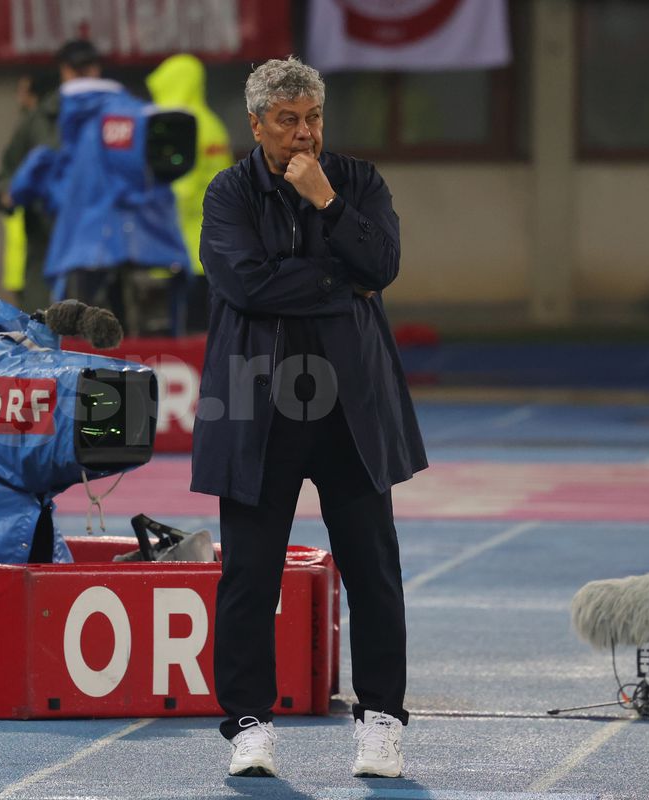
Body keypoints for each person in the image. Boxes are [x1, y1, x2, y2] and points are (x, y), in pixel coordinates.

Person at [192, 57, 426, 779]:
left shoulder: (356, 184)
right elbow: (246, 283)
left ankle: (381, 721)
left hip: (350, 404)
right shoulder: (228, 193)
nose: (303, 134)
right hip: (255, 402)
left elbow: (381, 263)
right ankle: (249, 726)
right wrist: (339, 282)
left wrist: (327, 204)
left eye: (313, 118)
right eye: (288, 120)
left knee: (373, 571)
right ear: (256, 123)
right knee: (250, 578)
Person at [8, 39, 190, 332]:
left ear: (65, 71)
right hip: (148, 242)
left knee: (78, 344)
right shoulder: (138, 112)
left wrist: (22, 189)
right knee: (143, 346)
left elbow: (35, 178)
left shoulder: (59, 118)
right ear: (96, 68)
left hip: (81, 246)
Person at [145, 53, 233, 332]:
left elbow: (181, 190)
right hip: (210, 245)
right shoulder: (212, 124)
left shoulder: (184, 127)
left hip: (181, 246)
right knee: (204, 331)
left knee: (182, 332)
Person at [0, 70, 58, 313]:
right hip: (28, 238)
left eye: (22, 91)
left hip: (35, 239)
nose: (19, 98)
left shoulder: (36, 129)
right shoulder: (28, 130)